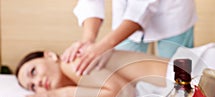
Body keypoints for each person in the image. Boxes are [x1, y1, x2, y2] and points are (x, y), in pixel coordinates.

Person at [62, 0, 197, 76]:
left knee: (178, 75)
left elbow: (141, 8)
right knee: (126, 75)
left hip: (172, 12)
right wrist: (88, 39)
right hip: (125, 12)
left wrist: (104, 46)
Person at [15, 49, 169, 97]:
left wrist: (62, 93)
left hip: (184, 77)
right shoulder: (73, 74)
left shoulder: (72, 63)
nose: (38, 83)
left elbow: (124, 93)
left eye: (33, 72)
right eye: (32, 87)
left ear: (49, 55)